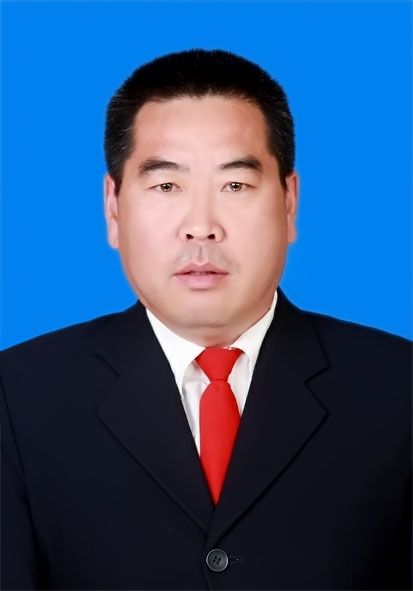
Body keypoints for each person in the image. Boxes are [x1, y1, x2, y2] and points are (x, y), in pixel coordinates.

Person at [1, 49, 411, 591]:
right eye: (166, 186)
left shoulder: (398, 387)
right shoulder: (18, 396)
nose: (201, 226)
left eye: (234, 185)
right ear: (113, 208)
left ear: (289, 202)